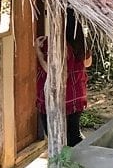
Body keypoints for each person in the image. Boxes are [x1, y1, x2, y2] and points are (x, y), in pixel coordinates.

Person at [34, 8, 92, 147]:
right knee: (74, 135)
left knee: (56, 136)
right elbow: (88, 63)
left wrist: (39, 53)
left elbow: (53, 72)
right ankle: (80, 162)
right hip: (76, 96)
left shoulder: (57, 46)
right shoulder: (81, 44)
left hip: (58, 97)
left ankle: (64, 166)